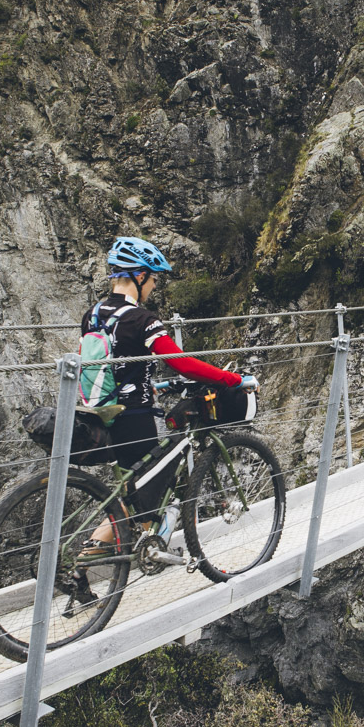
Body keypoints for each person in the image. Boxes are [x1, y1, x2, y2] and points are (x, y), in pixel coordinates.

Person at [80, 236, 256, 551]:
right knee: (148, 490)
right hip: (135, 417)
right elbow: (182, 363)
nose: (154, 286)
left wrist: (153, 385)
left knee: (134, 490)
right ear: (140, 275)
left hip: (103, 412)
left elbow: (113, 364)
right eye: (154, 279)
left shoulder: (94, 314)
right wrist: (230, 378)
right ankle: (100, 553)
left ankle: (138, 549)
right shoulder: (141, 319)